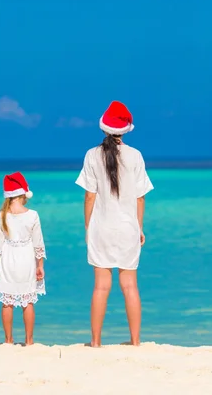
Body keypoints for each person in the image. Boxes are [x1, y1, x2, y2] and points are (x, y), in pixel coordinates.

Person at [75, 100, 154, 348]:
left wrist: (88, 227)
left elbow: (90, 196)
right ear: (125, 129)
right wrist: (140, 227)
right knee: (130, 286)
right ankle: (135, 341)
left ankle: (96, 342)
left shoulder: (91, 155)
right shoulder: (135, 156)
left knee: (101, 287)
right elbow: (140, 196)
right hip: (128, 227)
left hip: (102, 228)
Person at [0, 172, 46, 345]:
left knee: (7, 302)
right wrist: (40, 265)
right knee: (27, 301)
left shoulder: (0, 216)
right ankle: (29, 341)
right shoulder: (33, 215)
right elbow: (38, 244)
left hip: (8, 259)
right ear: (23, 194)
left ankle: (8, 340)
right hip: (26, 259)